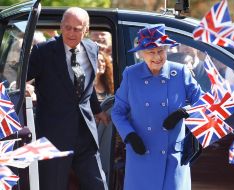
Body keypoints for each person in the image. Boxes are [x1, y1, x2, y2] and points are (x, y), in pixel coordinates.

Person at [111, 24, 203, 190]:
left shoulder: (180, 72)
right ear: (141, 54)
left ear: (167, 50)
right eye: (151, 52)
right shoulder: (131, 75)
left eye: (160, 51)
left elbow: (203, 102)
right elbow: (118, 112)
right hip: (141, 155)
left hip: (173, 158)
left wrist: (184, 112)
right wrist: (130, 136)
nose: (157, 57)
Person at [27, 7, 109, 190]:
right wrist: (24, 86)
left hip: (85, 134)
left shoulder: (92, 48)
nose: (71, 33)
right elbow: (22, 78)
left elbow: (88, 86)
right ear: (61, 26)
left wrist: (98, 110)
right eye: (67, 27)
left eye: (77, 29)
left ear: (86, 30)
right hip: (54, 136)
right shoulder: (43, 51)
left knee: (99, 185)